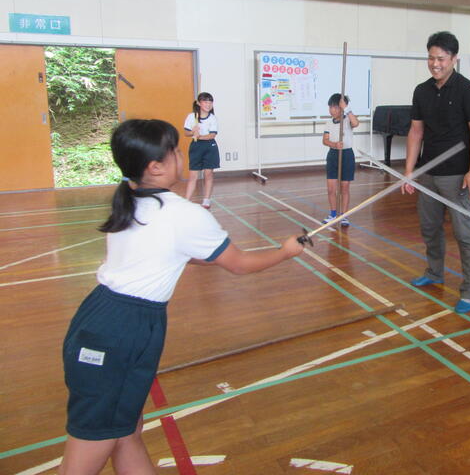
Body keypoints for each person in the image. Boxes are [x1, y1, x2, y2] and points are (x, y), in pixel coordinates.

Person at [59, 119, 304, 475]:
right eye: (173, 151)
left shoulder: (133, 200)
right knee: (93, 442)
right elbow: (238, 265)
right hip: (119, 331)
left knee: (126, 432)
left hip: (106, 317)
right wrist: (285, 252)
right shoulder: (182, 214)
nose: (180, 155)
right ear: (155, 167)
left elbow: (174, 252)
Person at [401, 31, 470, 314]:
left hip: (458, 175)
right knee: (429, 228)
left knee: (465, 233)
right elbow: (416, 131)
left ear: (454, 59)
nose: (435, 64)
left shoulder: (468, 90)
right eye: (431, 58)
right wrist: (409, 171)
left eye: (441, 58)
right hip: (429, 173)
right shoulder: (421, 91)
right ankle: (435, 272)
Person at [322, 93, 360, 225]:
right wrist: (334, 145)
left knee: (344, 188)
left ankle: (344, 216)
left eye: (335, 107)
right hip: (333, 155)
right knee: (331, 189)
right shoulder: (328, 123)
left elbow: (356, 123)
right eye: (330, 107)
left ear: (342, 107)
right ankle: (333, 214)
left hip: (347, 156)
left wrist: (347, 108)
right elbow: (325, 140)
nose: (332, 110)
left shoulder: (348, 119)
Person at [183, 92, 219, 208]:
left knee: (208, 174)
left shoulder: (212, 118)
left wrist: (199, 136)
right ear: (199, 103)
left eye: (210, 102)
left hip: (210, 147)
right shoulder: (191, 116)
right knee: (193, 176)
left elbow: (212, 135)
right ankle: (187, 201)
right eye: (205, 102)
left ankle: (206, 200)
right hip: (196, 147)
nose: (208, 105)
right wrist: (192, 132)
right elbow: (186, 133)